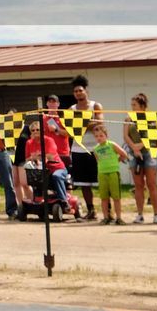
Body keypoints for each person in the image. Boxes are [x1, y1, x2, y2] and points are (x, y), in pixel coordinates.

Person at [124, 92, 157, 224]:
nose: (132, 107)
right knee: (138, 185)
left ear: (142, 105)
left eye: (134, 104)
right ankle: (140, 214)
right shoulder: (128, 118)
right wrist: (134, 148)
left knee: (152, 184)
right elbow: (126, 136)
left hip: (149, 152)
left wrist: (139, 146)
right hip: (134, 154)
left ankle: (156, 215)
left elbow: (154, 137)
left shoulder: (151, 118)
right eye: (131, 104)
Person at [67, 75, 102, 220]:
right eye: (75, 91)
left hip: (95, 149)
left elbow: (99, 123)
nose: (78, 93)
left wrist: (80, 125)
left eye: (80, 90)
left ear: (86, 90)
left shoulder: (96, 106)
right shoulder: (72, 109)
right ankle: (91, 210)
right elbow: (70, 129)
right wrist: (87, 124)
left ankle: (109, 210)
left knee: (101, 180)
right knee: (84, 184)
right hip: (78, 149)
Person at [24, 119, 69, 207]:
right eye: (33, 130)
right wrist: (37, 157)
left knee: (56, 176)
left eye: (37, 129)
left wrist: (36, 157)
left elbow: (49, 156)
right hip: (40, 169)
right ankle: (37, 199)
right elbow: (27, 159)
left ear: (42, 131)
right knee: (34, 177)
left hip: (57, 168)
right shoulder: (29, 143)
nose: (35, 132)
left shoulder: (49, 140)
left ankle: (63, 200)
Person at [92, 123, 129, 225]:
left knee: (116, 197)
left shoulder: (111, 144)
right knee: (104, 198)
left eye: (101, 135)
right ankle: (105, 217)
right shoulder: (95, 149)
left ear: (106, 136)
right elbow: (98, 160)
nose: (99, 138)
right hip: (102, 173)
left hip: (113, 172)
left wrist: (117, 161)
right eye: (96, 136)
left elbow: (124, 154)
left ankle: (119, 218)